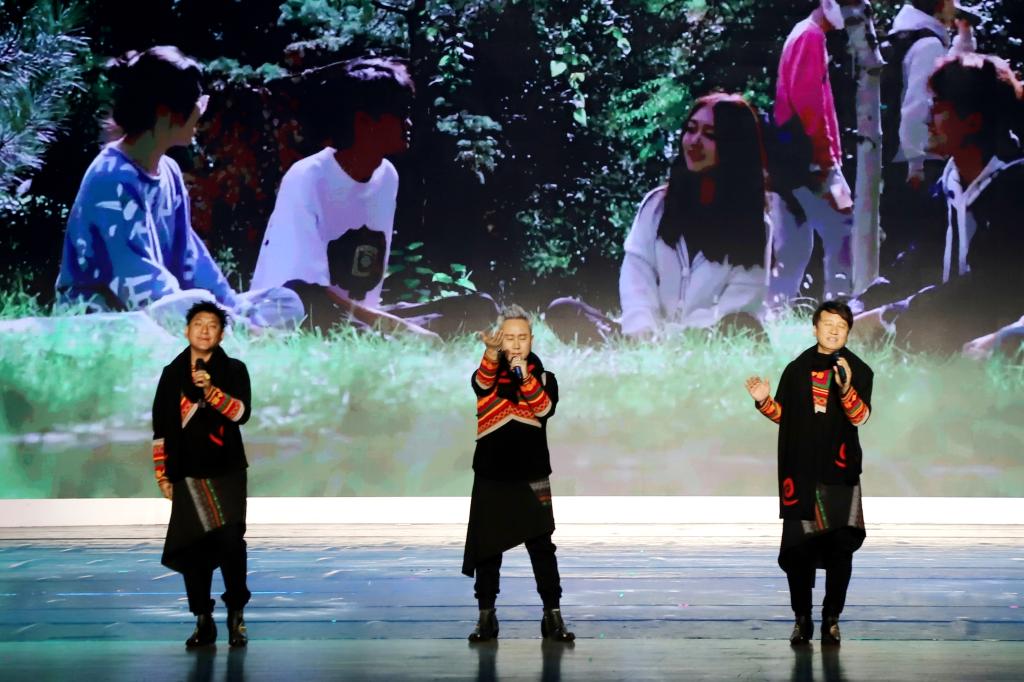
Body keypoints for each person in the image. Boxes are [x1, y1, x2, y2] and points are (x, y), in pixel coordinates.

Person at [55, 46, 303, 332]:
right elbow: (139, 284)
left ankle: (237, 329)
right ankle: (242, 332)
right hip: (109, 316)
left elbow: (190, 258)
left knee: (286, 301)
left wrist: (232, 306)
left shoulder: (169, 170)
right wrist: (233, 321)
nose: (200, 113)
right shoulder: (111, 178)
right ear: (165, 113)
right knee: (189, 305)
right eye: (196, 104)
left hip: (166, 307)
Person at [251, 57, 496, 339]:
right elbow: (304, 287)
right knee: (314, 304)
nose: (408, 123)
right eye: (400, 113)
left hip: (359, 315)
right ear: (364, 121)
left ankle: (386, 336)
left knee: (480, 308)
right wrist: (398, 327)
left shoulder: (387, 177)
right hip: (296, 312)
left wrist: (391, 322)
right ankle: (389, 336)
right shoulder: (307, 176)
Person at [857, 53, 1024, 353]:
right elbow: (912, 266)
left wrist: (893, 316)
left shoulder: (1015, 187)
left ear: (972, 121)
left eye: (937, 106)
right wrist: (856, 306)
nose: (926, 118)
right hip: (950, 338)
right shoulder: (947, 186)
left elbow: (991, 285)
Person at [745, 300, 873, 646]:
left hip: (839, 474)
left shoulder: (858, 370)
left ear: (848, 333)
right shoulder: (796, 370)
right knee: (799, 551)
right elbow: (785, 418)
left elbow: (860, 416)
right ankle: (802, 620)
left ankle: (831, 619)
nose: (834, 330)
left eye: (841, 326)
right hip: (801, 474)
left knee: (840, 550)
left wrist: (845, 389)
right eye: (828, 323)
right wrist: (764, 401)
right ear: (815, 328)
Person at [461, 305, 575, 644]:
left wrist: (524, 376)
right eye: (508, 337)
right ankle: (486, 617)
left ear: (531, 340)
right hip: (491, 473)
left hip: (533, 474)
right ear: (500, 340)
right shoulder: (486, 378)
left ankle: (552, 616)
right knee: (487, 548)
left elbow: (543, 408)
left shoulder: (544, 379)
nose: (515, 343)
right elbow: (481, 381)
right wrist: (489, 353)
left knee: (542, 545)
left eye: (521, 337)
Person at [617, 93, 771, 337]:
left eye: (710, 135)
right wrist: (642, 329)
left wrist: (675, 337)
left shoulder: (755, 225)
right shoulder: (656, 205)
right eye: (691, 129)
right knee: (564, 309)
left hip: (712, 337)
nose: (695, 141)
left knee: (743, 327)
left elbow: (740, 302)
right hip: (646, 335)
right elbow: (636, 277)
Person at [152, 301, 252, 648]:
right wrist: (162, 474)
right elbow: (161, 428)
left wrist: (210, 390)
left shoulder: (234, 370)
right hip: (187, 472)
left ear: (221, 334)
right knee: (193, 547)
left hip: (226, 471)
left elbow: (240, 413)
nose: (204, 330)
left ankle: (236, 616)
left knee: (230, 543)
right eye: (198, 324)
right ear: (186, 331)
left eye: (212, 325)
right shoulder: (171, 374)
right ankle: (202, 620)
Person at [876, 0, 976, 296]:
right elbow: (918, 107)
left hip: (899, 156)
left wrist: (963, 42)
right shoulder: (929, 45)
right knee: (919, 244)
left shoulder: (907, 36)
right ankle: (907, 307)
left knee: (905, 241)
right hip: (919, 163)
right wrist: (916, 163)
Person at [768, 0, 855, 304]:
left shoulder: (802, 33)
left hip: (791, 160)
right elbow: (809, 105)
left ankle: (775, 310)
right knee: (845, 226)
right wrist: (827, 159)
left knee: (791, 246)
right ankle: (841, 304)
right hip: (814, 160)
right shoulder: (811, 36)